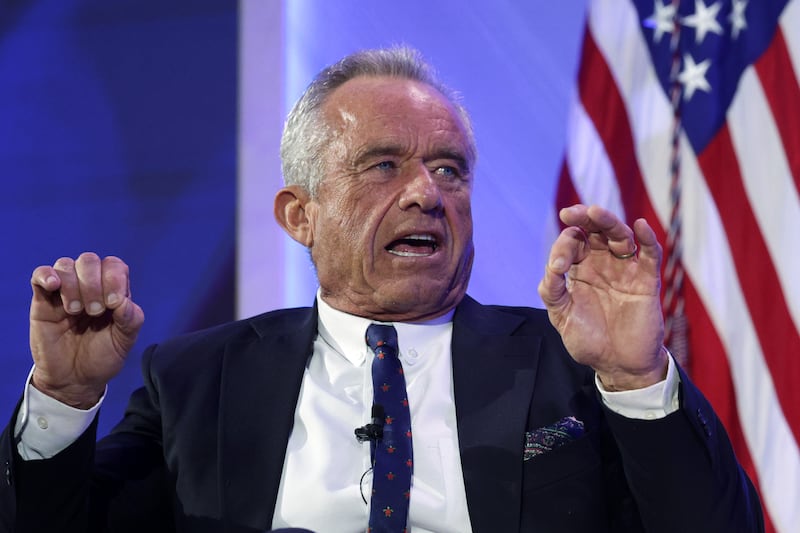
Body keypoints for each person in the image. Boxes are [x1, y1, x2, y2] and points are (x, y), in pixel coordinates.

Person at [0, 47, 762, 533]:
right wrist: (62, 402)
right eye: (385, 165)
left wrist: (635, 378)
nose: (428, 194)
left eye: (450, 169)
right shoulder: (199, 380)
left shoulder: (569, 362)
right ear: (300, 214)